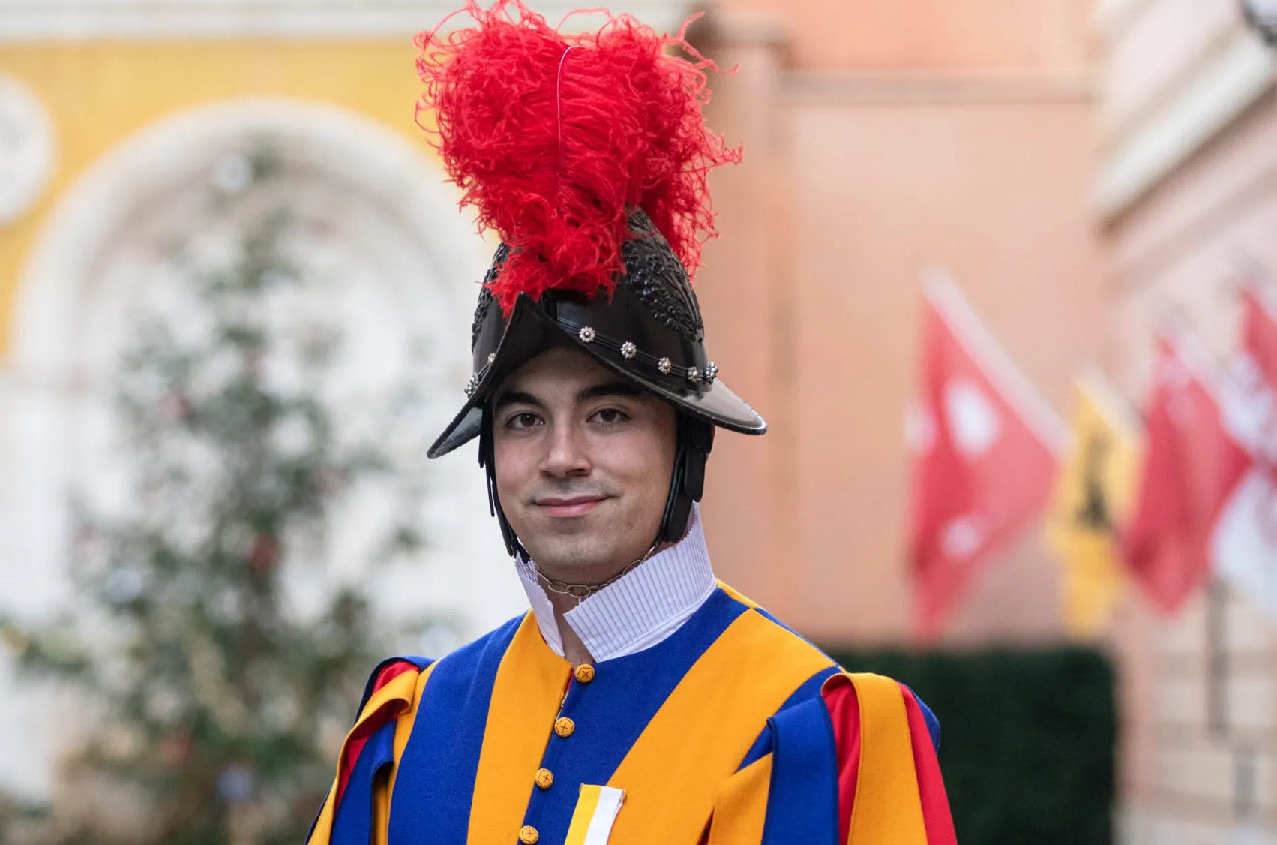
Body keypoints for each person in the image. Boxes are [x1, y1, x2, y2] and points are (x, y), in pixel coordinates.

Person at [306, 1, 955, 842]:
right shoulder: (411, 725)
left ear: (684, 441)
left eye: (608, 413)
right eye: (525, 419)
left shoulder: (809, 730)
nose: (562, 456)